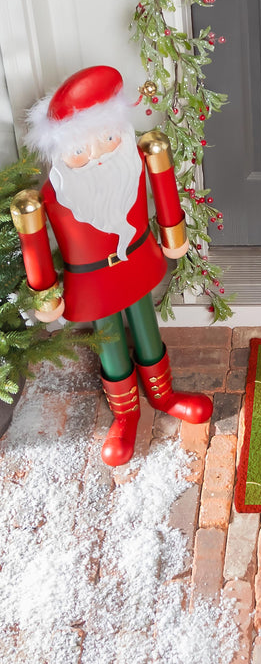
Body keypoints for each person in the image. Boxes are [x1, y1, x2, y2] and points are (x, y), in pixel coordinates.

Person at [10, 65, 212, 466]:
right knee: (109, 337)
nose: (99, 156)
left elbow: (163, 189)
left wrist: (173, 234)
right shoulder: (51, 196)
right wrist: (45, 292)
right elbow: (33, 239)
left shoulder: (137, 159)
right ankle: (125, 413)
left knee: (145, 323)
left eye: (106, 139)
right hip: (92, 281)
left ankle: (163, 393)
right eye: (82, 149)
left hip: (137, 258)